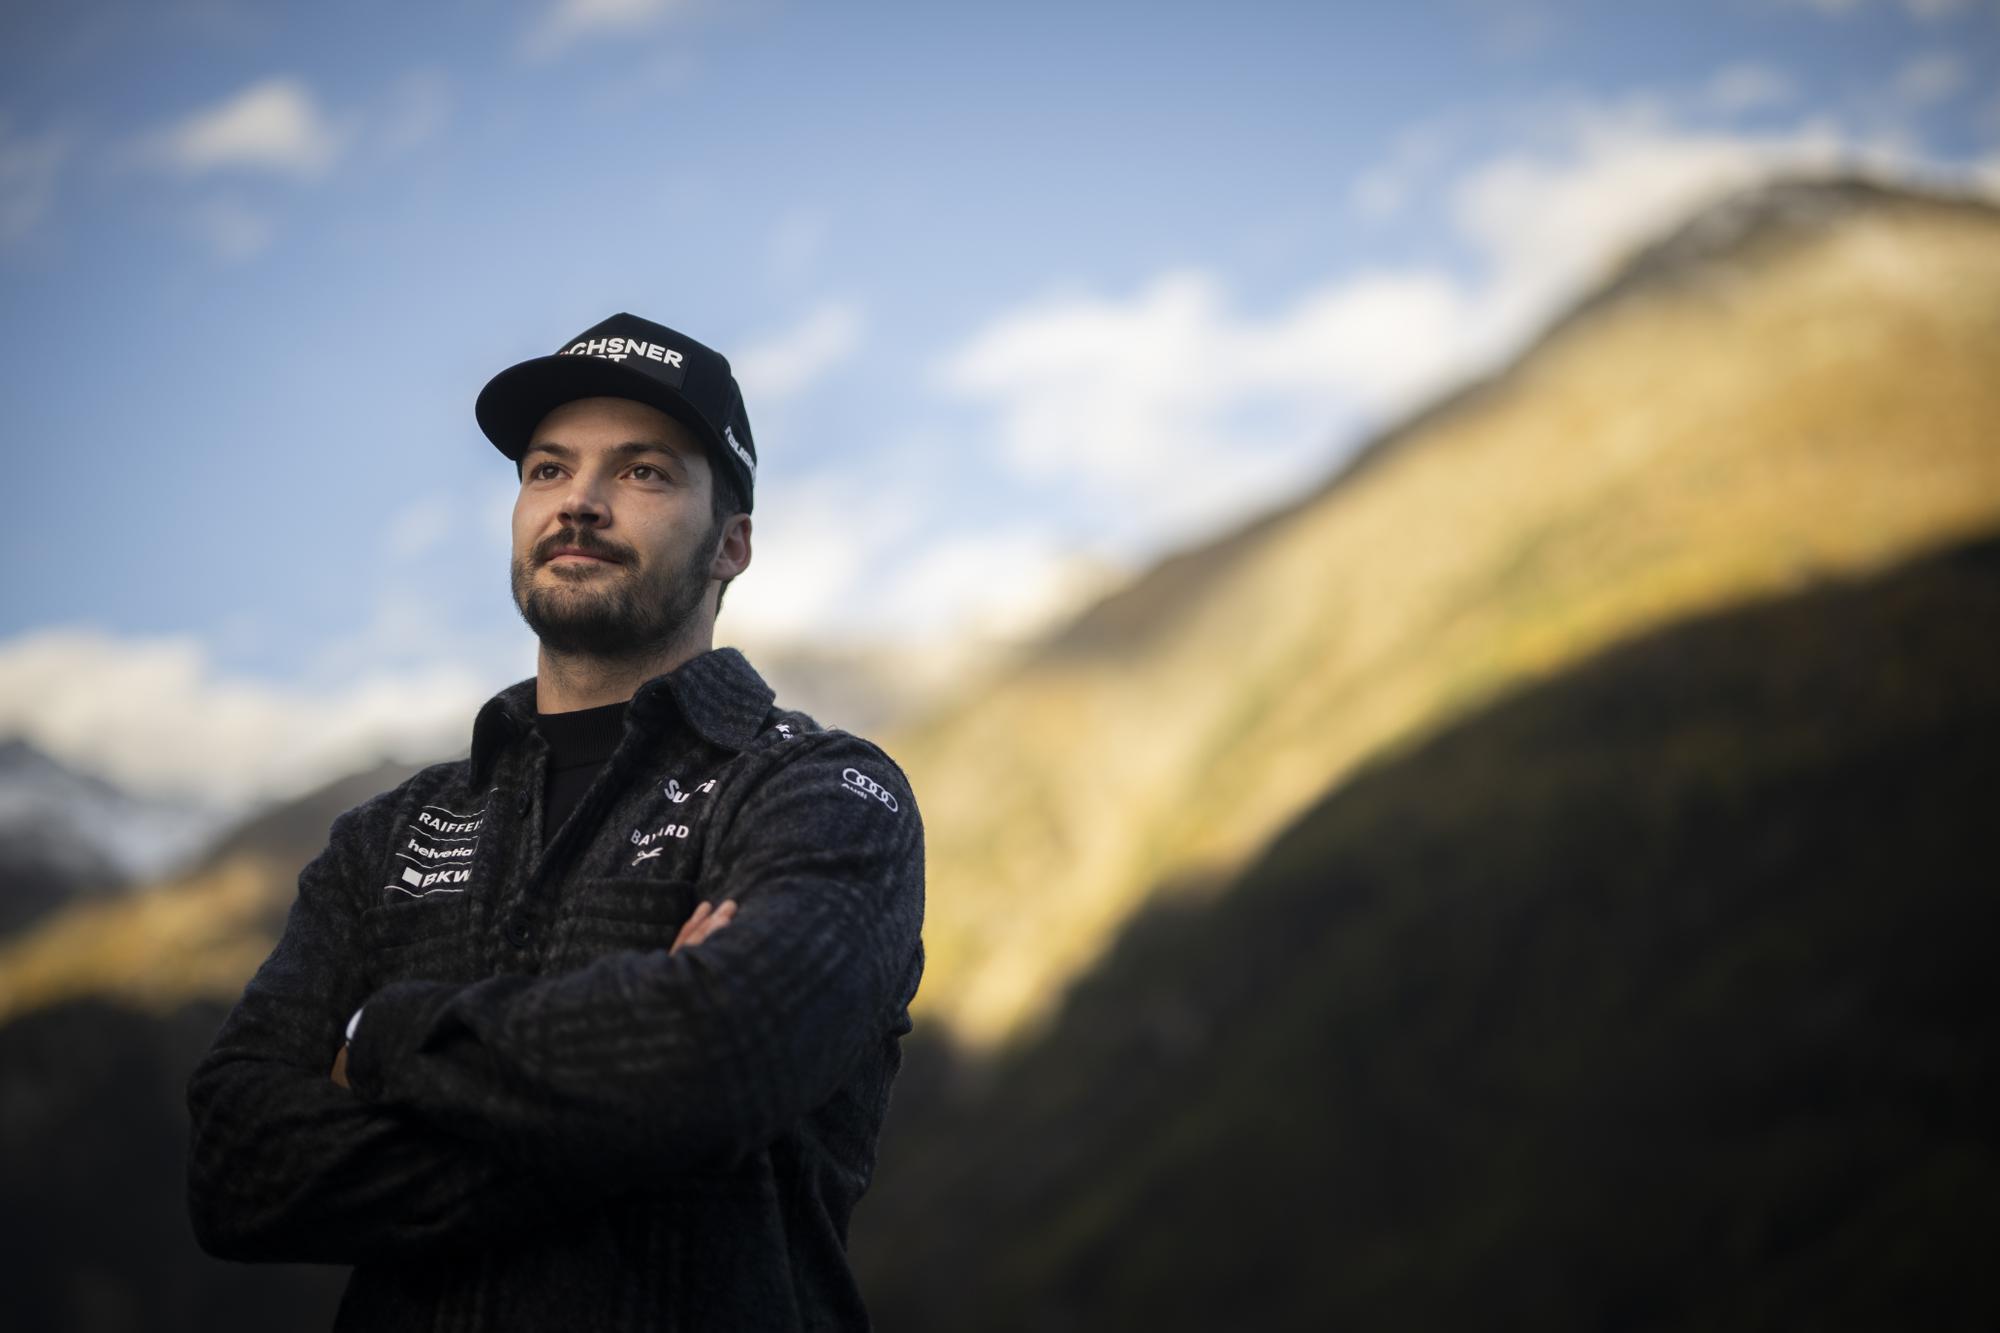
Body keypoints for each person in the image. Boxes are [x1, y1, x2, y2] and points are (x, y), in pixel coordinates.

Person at [185, 312, 926, 1332]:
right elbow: (239, 1167)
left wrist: (380, 1035)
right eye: (545, 469)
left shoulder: (819, 790)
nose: (578, 501)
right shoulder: (386, 835)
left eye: (644, 473)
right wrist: (642, 1114)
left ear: (733, 543)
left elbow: (725, 1054)